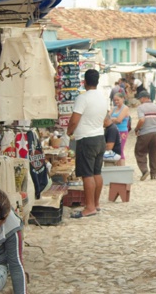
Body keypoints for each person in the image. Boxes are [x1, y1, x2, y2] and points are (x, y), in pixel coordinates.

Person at [67, 69, 107, 218]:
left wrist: (69, 132)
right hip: (99, 138)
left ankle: (89, 207)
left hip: (86, 138)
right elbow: (106, 119)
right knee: (97, 172)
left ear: (84, 82)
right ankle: (96, 204)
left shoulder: (82, 98)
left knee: (87, 174)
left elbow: (74, 120)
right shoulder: (103, 98)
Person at [134, 90, 156, 181]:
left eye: (140, 98)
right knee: (153, 153)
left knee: (140, 152)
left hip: (145, 133)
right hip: (155, 133)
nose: (140, 100)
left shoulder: (141, 108)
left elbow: (141, 120)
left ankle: (145, 171)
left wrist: (136, 129)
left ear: (144, 98)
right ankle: (154, 174)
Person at [109, 92, 130, 165]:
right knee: (114, 150)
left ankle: (122, 167)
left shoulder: (125, 108)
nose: (116, 102)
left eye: (118, 100)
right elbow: (107, 119)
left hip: (122, 131)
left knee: (120, 150)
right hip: (113, 131)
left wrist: (113, 119)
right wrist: (114, 119)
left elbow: (119, 120)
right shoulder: (114, 108)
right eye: (115, 100)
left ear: (123, 99)